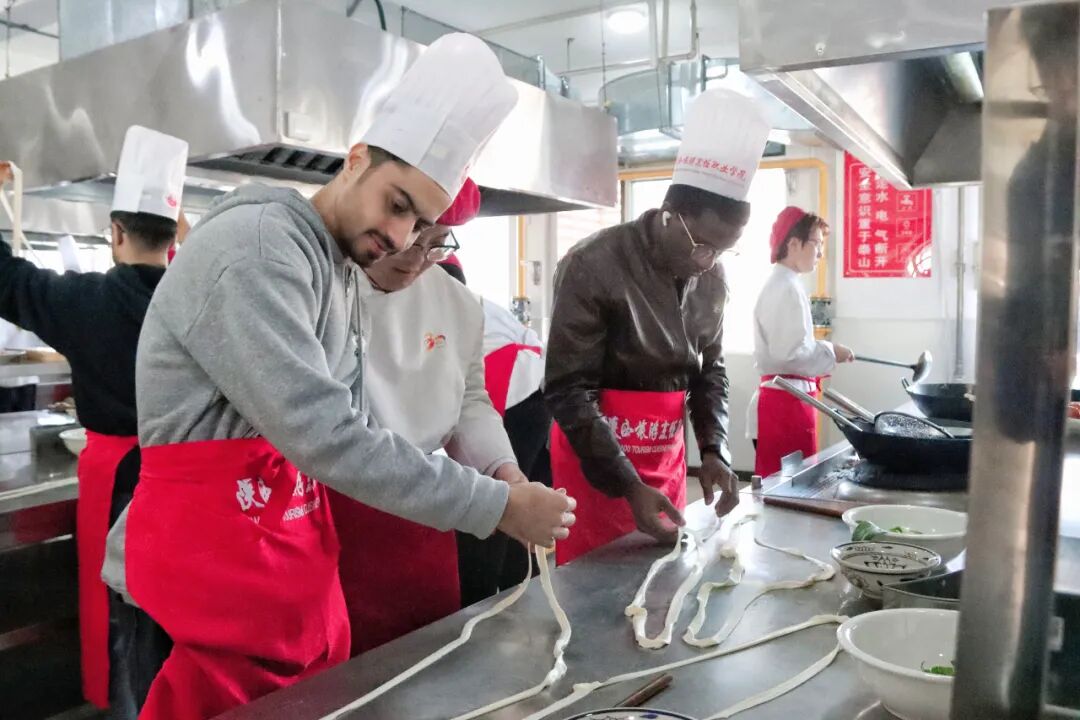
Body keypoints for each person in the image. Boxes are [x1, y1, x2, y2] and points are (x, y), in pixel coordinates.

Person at [100, 34, 575, 720]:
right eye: (399, 203)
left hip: (269, 589)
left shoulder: (339, 271)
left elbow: (352, 423)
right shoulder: (258, 247)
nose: (404, 237)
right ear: (355, 160)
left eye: (423, 225)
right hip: (194, 605)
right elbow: (326, 433)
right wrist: (498, 507)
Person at [0, 127, 188, 713]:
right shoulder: (198, 299)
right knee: (181, 618)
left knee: (123, 618)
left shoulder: (83, 302)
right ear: (177, 234)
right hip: (190, 484)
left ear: (113, 234)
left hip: (116, 488)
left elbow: (5, 279)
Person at [544, 88, 770, 565]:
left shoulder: (711, 278)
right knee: (591, 585)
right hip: (597, 465)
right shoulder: (593, 263)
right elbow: (567, 389)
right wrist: (627, 483)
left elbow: (710, 373)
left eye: (723, 252)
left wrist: (714, 450)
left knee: (661, 580)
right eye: (703, 246)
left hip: (664, 459)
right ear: (669, 214)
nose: (709, 262)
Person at [330, 178, 525, 653]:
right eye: (414, 236)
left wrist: (509, 477)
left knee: (426, 658)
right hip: (328, 516)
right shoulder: (324, 287)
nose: (417, 258)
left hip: (425, 511)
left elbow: (469, 403)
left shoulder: (457, 304)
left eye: (436, 244)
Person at [436, 255, 550, 603]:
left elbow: (466, 401)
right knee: (509, 497)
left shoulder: (450, 306)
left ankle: (484, 596)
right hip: (533, 390)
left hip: (515, 390)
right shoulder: (468, 302)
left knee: (492, 505)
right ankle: (515, 588)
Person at [747, 206, 854, 478]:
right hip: (784, 404)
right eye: (816, 244)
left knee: (792, 486)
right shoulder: (785, 287)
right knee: (788, 489)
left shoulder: (787, 283)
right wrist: (832, 351)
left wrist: (830, 352)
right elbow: (789, 354)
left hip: (788, 399)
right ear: (794, 244)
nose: (820, 253)